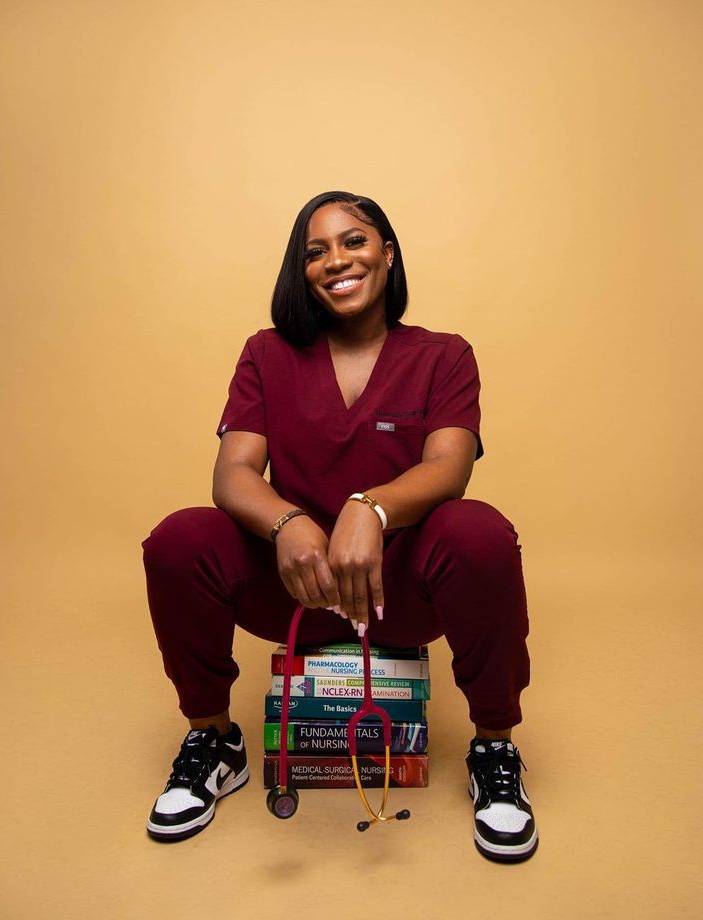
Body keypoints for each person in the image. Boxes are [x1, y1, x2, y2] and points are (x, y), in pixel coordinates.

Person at [141, 191, 538, 862]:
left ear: (387, 252)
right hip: (293, 589)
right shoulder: (265, 354)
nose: (336, 261)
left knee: (480, 533)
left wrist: (371, 507)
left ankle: (494, 749)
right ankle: (215, 741)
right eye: (314, 251)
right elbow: (233, 473)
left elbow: (450, 465)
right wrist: (289, 521)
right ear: (301, 272)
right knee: (179, 538)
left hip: (399, 591)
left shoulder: (444, 354)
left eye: (354, 241)